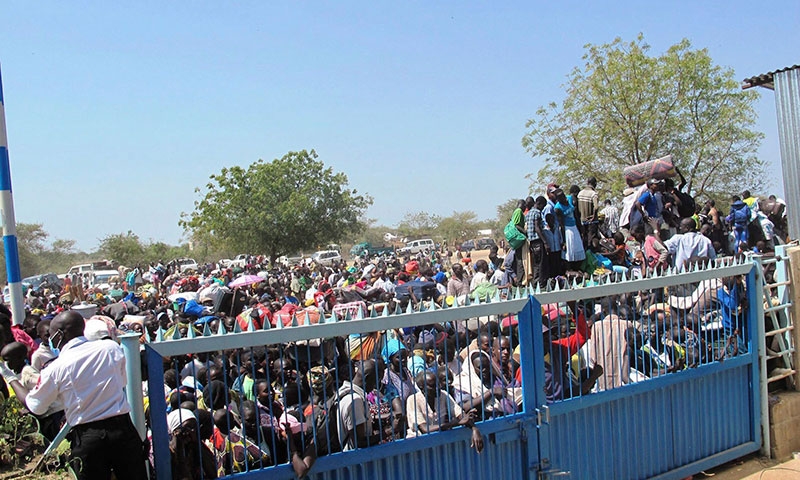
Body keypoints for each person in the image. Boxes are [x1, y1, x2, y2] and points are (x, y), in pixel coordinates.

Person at [3, 310, 147, 480]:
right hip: (123, 431)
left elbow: (35, 406)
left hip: (89, 437)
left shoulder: (56, 368)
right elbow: (122, 382)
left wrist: (10, 378)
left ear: (60, 334)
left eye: (51, 334)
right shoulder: (110, 348)